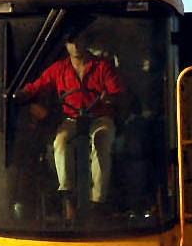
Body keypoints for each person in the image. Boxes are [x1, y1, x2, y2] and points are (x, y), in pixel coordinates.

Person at [13, 36, 126, 220]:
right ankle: (68, 197)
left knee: (101, 140)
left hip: (99, 117)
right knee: (60, 141)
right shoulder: (59, 69)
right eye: (71, 42)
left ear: (86, 42)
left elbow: (117, 93)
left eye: (79, 41)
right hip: (72, 118)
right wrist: (23, 94)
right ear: (66, 45)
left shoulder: (103, 67)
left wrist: (109, 98)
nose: (75, 46)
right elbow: (38, 85)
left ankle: (98, 201)